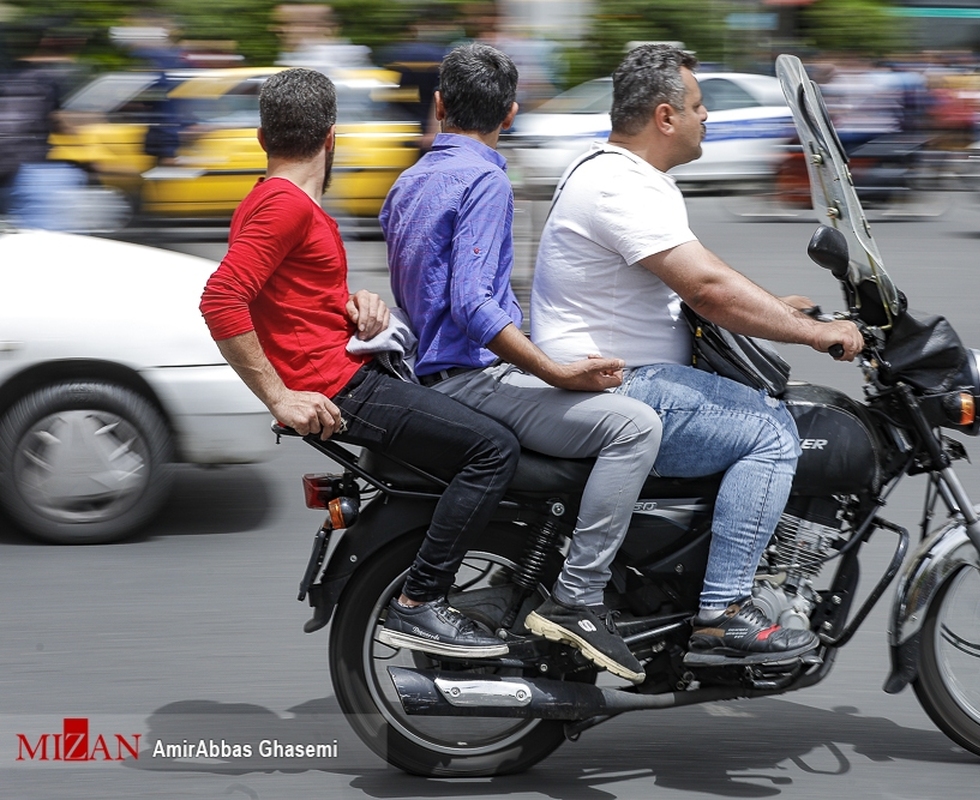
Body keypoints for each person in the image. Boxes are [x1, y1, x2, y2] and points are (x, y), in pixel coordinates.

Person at [529, 44, 864, 667]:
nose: (707, 117)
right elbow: (706, 288)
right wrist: (814, 334)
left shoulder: (620, 175)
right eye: (699, 105)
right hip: (618, 385)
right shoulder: (620, 183)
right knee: (771, 432)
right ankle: (724, 611)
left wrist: (783, 310)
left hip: (627, 376)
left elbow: (699, 275)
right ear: (664, 117)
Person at [200, 67, 521, 660]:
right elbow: (222, 298)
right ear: (331, 138)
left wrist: (353, 307)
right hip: (338, 388)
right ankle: (420, 602)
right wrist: (280, 397)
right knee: (492, 450)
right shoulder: (285, 206)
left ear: (262, 137)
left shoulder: (275, 201)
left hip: (344, 367)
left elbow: (285, 297)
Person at [378, 43, 662, 685]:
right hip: (471, 381)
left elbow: (428, 291)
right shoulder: (485, 180)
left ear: (440, 105)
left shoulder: (408, 182)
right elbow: (472, 302)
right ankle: (580, 597)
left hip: (431, 375)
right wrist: (556, 373)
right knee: (636, 426)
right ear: (509, 112)